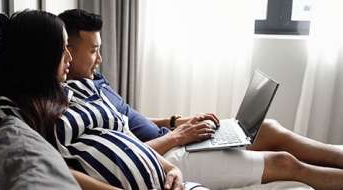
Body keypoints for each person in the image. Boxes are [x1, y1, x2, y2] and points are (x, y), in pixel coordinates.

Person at [58, 8, 343, 190]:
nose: (101, 58)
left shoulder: (92, 82)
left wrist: (175, 121)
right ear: (67, 49)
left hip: (174, 138)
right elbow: (125, 150)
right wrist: (178, 137)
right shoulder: (70, 105)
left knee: (269, 128)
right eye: (94, 51)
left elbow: (129, 120)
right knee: (285, 162)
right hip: (166, 154)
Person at [0, 9, 197, 190]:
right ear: (40, 54)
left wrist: (171, 168)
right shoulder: (10, 110)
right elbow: (45, 164)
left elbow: (124, 134)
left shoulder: (82, 86)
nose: (69, 58)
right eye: (63, 49)